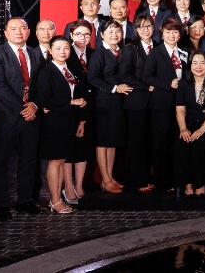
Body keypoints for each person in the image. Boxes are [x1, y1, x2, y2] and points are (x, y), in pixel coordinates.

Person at [0, 17, 43, 218]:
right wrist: (23, 108)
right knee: (1, 162)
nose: (18, 32)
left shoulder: (36, 54)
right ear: (5, 33)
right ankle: (2, 205)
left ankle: (25, 200)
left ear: (28, 32)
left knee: (28, 161)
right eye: (13, 29)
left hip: (31, 118)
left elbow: (43, 84)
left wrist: (35, 105)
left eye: (22, 28)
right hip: (6, 119)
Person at [33, 36, 88, 214]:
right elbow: (46, 100)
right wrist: (72, 102)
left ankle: (58, 198)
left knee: (62, 159)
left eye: (66, 48)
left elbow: (78, 94)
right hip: (53, 123)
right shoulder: (46, 72)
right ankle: (55, 199)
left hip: (68, 121)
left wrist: (81, 120)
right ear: (50, 51)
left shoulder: (70, 70)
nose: (62, 52)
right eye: (58, 48)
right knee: (55, 161)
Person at [143, 18, 190, 191]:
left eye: (175, 32)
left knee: (177, 143)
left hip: (180, 104)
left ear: (180, 34)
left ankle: (177, 180)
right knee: (160, 143)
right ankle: (162, 182)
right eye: (168, 32)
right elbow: (147, 76)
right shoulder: (156, 52)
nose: (172, 35)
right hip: (161, 104)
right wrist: (167, 84)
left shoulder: (184, 52)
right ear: (162, 34)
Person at [174, 51, 205, 197]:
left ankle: (200, 184)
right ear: (190, 66)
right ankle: (187, 183)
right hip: (189, 124)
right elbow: (180, 110)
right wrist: (183, 128)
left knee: (198, 145)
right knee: (179, 146)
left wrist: (202, 129)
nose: (198, 66)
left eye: (202, 63)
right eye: (195, 63)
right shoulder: (183, 84)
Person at [89, 21, 129, 193]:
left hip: (118, 102)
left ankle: (110, 177)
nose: (114, 35)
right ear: (102, 35)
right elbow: (92, 78)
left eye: (117, 31)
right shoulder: (99, 53)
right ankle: (104, 179)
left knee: (113, 140)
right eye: (110, 31)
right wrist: (114, 88)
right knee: (103, 141)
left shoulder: (121, 51)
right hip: (104, 102)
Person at [119, 17, 157, 192]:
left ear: (153, 27)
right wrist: (146, 86)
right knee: (136, 142)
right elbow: (124, 75)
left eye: (148, 26)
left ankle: (150, 178)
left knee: (150, 141)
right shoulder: (130, 48)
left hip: (155, 102)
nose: (145, 30)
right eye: (141, 27)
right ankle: (137, 180)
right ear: (136, 30)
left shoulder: (158, 47)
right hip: (136, 101)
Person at [64, 20, 96, 202]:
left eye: (86, 34)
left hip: (89, 107)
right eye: (78, 34)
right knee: (69, 149)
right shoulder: (65, 53)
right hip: (70, 107)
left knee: (84, 148)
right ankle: (68, 187)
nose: (82, 38)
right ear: (71, 35)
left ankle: (79, 186)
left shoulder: (94, 54)